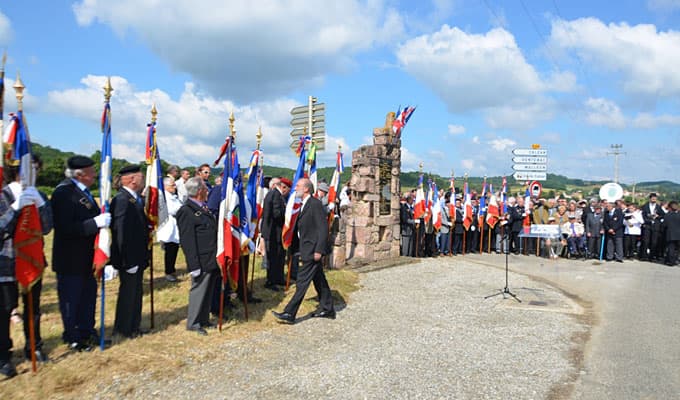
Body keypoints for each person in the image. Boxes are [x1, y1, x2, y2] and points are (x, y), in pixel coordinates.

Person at [51, 155, 110, 353]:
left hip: (87, 257)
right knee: (71, 300)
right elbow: (66, 227)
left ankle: (87, 331)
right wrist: (96, 223)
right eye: (91, 172)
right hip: (70, 258)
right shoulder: (64, 193)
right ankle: (73, 336)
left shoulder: (82, 192)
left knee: (87, 297)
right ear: (80, 174)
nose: (95, 175)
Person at [0, 158, 51, 378]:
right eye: (31, 169)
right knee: (3, 312)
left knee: (34, 310)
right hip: (6, 263)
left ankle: (34, 347)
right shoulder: (3, 196)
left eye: (36, 170)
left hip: (32, 262)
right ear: (16, 171)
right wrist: (14, 208)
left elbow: (48, 227)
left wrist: (40, 206)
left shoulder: (37, 194)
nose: (35, 173)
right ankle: (3, 356)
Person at [272, 178, 334, 324]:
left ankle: (289, 313)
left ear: (306, 189)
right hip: (305, 247)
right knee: (319, 280)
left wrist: (319, 250)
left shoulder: (315, 204)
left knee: (302, 282)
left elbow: (323, 229)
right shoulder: (303, 204)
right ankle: (327, 307)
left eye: (298, 186)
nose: (295, 188)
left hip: (312, 250)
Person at [110, 165, 150, 338]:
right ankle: (125, 328)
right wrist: (126, 260)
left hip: (138, 255)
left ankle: (134, 325)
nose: (143, 180)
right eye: (141, 177)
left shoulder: (134, 199)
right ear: (133, 179)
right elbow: (121, 232)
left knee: (136, 293)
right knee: (128, 294)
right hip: (129, 257)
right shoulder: (122, 200)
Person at [176, 177, 220, 335]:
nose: (207, 191)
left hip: (210, 257)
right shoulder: (186, 211)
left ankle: (203, 319)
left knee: (208, 290)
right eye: (205, 189)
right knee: (199, 290)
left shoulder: (203, 207)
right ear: (200, 191)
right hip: (200, 259)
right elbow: (187, 241)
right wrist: (193, 265)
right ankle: (193, 322)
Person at [260, 177, 290, 290]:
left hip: (274, 230)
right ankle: (271, 281)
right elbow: (277, 213)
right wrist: (286, 217)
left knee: (278, 255)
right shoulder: (276, 195)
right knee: (273, 256)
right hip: (274, 231)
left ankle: (278, 278)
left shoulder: (272, 194)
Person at [157, 176, 183, 282]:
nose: (175, 186)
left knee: (174, 249)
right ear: (166, 186)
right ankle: (169, 272)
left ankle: (172, 270)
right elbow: (172, 210)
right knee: (170, 250)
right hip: (168, 227)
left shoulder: (173, 196)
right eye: (172, 185)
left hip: (174, 227)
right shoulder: (164, 197)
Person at [640, 193, 665, 261]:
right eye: (653, 198)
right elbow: (642, 216)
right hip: (647, 225)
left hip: (655, 226)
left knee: (654, 242)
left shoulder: (658, 206)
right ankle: (644, 256)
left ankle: (651, 257)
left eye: (655, 198)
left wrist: (657, 216)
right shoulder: (645, 206)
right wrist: (648, 220)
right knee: (646, 241)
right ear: (650, 198)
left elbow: (663, 215)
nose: (654, 199)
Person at [662, 201, 680, 266]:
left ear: (669, 207)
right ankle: (675, 260)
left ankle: (670, 261)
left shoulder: (667, 215)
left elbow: (664, 225)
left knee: (671, 248)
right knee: (677, 249)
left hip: (670, 234)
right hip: (679, 234)